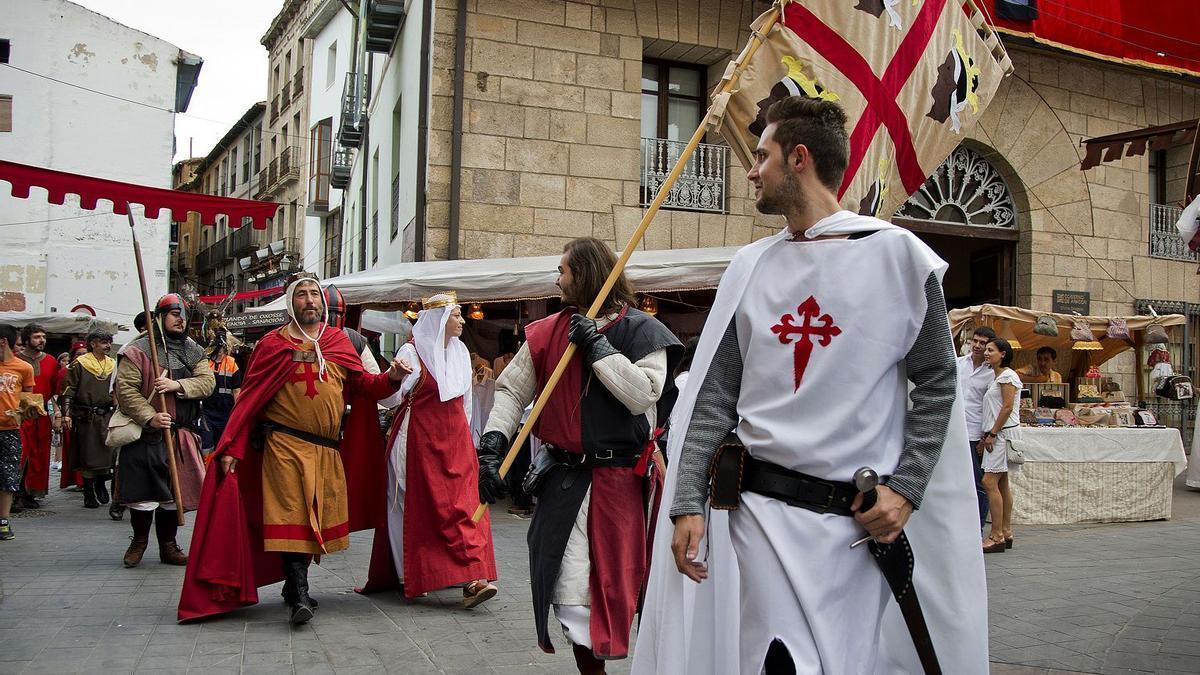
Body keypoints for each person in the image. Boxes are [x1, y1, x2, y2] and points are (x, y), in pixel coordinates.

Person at [634, 97, 987, 674]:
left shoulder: (900, 259)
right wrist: (687, 502)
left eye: (762, 156)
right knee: (778, 663)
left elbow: (937, 381)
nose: (752, 170)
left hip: (852, 529)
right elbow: (715, 399)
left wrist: (908, 487)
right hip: (759, 519)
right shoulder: (750, 267)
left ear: (798, 159)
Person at [477, 237, 682, 673]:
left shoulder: (641, 330)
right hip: (566, 483)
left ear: (585, 273)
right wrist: (493, 444)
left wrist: (599, 349)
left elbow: (643, 395)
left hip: (620, 483)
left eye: (563, 271)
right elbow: (512, 391)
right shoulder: (549, 331)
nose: (557, 279)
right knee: (569, 591)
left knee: (620, 586)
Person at [179, 273, 408, 625]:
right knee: (291, 515)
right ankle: (299, 592)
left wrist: (391, 377)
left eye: (314, 294)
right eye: (301, 295)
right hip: (283, 444)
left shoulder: (337, 343)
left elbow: (364, 387)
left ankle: (292, 583)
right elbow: (249, 403)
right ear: (291, 303)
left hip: (326, 449)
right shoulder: (272, 345)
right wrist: (232, 448)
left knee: (315, 519)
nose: (310, 301)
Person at [360, 292, 499, 607]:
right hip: (418, 441)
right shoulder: (412, 351)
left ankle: (474, 577)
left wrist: (467, 443)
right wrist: (392, 376)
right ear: (438, 320)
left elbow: (464, 404)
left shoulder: (462, 351)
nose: (462, 321)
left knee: (466, 507)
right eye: (456, 315)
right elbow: (390, 400)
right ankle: (411, 574)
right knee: (416, 507)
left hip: (455, 442)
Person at [114, 294, 213, 568]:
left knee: (174, 495)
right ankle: (139, 541)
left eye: (182, 314)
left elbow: (207, 382)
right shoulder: (138, 350)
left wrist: (178, 386)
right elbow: (126, 391)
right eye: (173, 314)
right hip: (147, 435)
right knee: (144, 496)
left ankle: (168, 546)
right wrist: (150, 417)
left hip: (180, 434)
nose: (180, 319)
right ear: (159, 317)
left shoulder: (193, 349)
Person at [62, 330, 117, 509]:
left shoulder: (112, 364)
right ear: (93, 344)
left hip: (106, 415)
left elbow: (118, 389)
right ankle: (88, 492)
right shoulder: (80, 364)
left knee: (108, 453)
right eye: (103, 342)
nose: (108, 345)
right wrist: (66, 414)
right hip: (87, 416)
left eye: (109, 342)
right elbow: (68, 390)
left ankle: (101, 482)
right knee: (88, 455)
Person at [979, 337, 1022, 553]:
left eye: (990, 350)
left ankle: (996, 535)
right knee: (1002, 482)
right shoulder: (996, 377)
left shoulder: (1007, 376)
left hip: (1002, 435)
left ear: (1002, 353)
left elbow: (1007, 407)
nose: (986, 353)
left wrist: (993, 433)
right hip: (997, 434)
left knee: (989, 481)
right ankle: (1006, 531)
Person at [16, 324, 61, 509]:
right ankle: (15, 493)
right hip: (19, 414)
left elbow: (55, 391)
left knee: (39, 455)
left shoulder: (51, 361)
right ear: (26, 340)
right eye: (36, 337)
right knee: (19, 454)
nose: (41, 340)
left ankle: (30, 493)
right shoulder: (16, 360)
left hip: (41, 414)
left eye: (43, 336)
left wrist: (57, 413)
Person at [957, 326, 997, 530]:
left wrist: (986, 435)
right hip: (956, 431)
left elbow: (991, 407)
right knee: (958, 481)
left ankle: (978, 527)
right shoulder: (959, 363)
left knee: (978, 482)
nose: (978, 346)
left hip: (976, 433)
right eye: (976, 341)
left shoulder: (992, 373)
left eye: (983, 343)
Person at [0, 324, 36, 541]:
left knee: (8, 476)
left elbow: (28, 400)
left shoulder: (23, 368)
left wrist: (29, 410)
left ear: (3, 342)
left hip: (10, 430)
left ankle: (3, 520)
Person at [201, 343, 242, 453]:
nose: (220, 350)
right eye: (217, 347)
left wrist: (237, 413)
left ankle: (217, 468)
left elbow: (236, 390)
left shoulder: (231, 363)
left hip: (225, 413)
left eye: (222, 347)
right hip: (206, 412)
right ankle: (207, 468)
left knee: (222, 445)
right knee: (206, 445)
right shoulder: (205, 362)